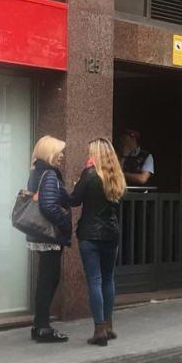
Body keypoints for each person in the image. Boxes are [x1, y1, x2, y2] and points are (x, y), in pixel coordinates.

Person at [71, 137, 126, 345]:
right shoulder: (116, 176)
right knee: (108, 279)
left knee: (94, 280)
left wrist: (76, 185)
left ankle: (99, 329)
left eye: (90, 152)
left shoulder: (90, 174)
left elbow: (74, 200)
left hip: (90, 235)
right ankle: (109, 325)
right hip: (111, 235)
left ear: (95, 154)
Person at [25, 135, 73, 343]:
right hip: (50, 234)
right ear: (50, 152)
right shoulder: (50, 174)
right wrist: (64, 222)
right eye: (59, 151)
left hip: (38, 233)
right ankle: (43, 327)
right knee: (49, 279)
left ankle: (39, 325)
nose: (62, 156)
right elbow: (48, 206)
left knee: (45, 278)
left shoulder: (36, 172)